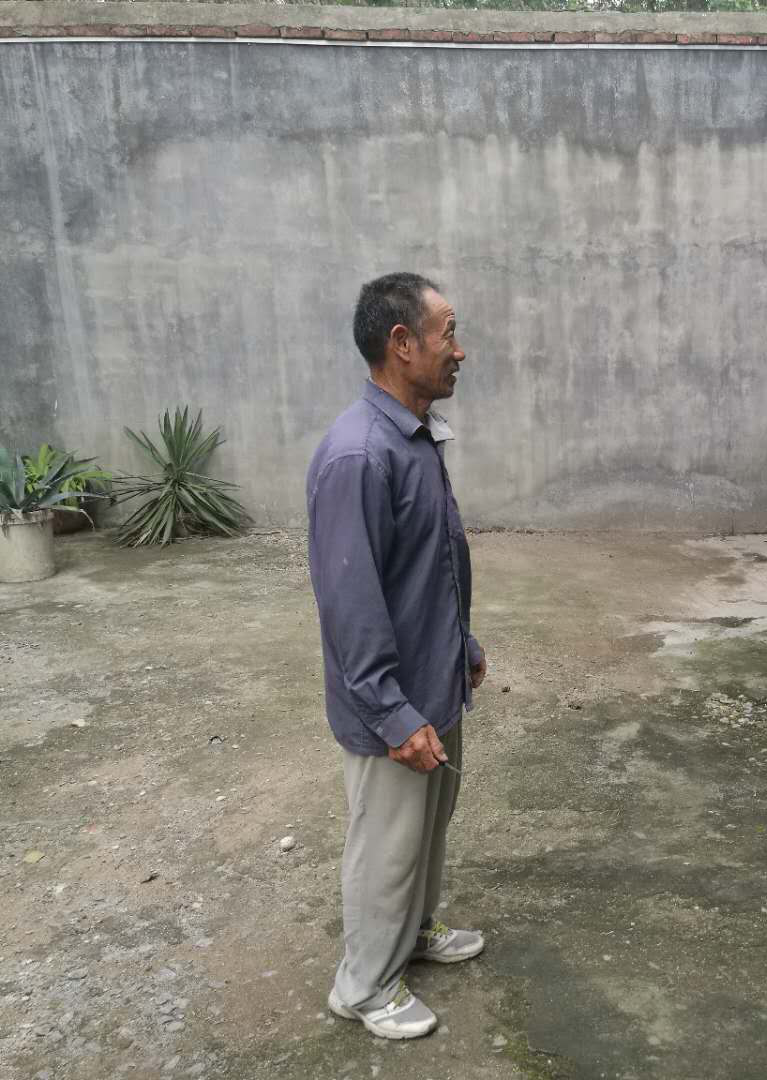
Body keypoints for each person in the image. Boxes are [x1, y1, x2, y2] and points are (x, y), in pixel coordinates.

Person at [306, 272, 489, 1039]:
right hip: (394, 707)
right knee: (385, 843)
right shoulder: (358, 454)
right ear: (402, 343)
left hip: (432, 683)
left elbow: (425, 563)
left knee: (424, 832)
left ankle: (410, 936)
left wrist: (460, 645)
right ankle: (364, 986)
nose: (460, 351)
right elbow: (350, 604)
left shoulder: (413, 437)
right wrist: (391, 712)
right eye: (449, 333)